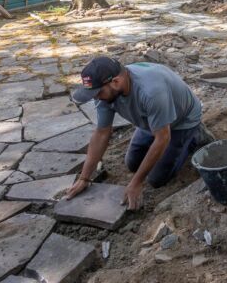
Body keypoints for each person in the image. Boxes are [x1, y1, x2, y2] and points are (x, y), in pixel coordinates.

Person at [68, 57, 213, 209]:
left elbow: (163, 138)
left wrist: (136, 182)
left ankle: (196, 135)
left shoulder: (151, 91)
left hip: (182, 121)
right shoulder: (105, 93)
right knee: (132, 164)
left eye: (98, 93)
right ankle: (156, 126)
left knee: (156, 179)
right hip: (150, 122)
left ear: (116, 82)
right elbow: (102, 133)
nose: (96, 98)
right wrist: (84, 178)